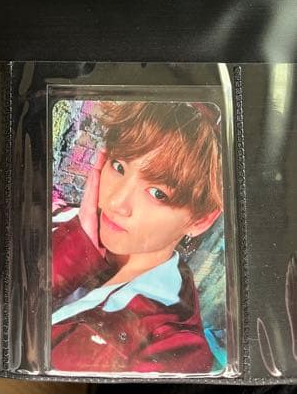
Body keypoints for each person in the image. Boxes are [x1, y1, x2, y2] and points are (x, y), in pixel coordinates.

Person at [51, 101, 223, 374]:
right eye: (118, 166)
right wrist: (74, 250)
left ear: (200, 220)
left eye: (157, 193)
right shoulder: (58, 220)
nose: (117, 203)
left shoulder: (173, 349)